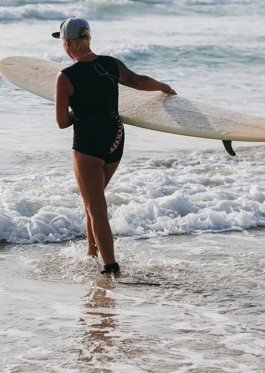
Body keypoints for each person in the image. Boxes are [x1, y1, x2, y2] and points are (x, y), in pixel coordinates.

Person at [53, 17, 175, 275]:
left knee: (96, 207)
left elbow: (63, 122)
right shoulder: (110, 64)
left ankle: (110, 267)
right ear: (88, 39)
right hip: (115, 139)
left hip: (87, 145)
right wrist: (164, 88)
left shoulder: (65, 77)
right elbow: (140, 81)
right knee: (92, 202)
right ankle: (91, 253)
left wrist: (78, 114)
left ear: (67, 44)